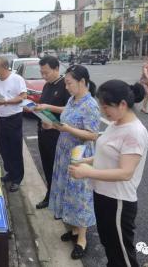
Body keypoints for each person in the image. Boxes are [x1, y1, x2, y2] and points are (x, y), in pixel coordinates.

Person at [69, 80, 148, 267]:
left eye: (106, 107)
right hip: (103, 194)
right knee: (109, 244)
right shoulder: (116, 123)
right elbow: (106, 155)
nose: (103, 111)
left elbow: (125, 172)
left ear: (122, 104)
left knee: (122, 252)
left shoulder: (135, 132)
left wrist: (89, 172)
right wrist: (85, 162)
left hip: (118, 200)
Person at [46, 65, 100, 259]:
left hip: (80, 156)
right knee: (66, 192)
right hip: (64, 152)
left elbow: (92, 135)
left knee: (79, 196)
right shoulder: (72, 99)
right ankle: (75, 230)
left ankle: (82, 239)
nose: (66, 87)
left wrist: (67, 129)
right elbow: (65, 120)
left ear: (82, 82)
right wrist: (53, 123)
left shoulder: (91, 105)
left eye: (69, 83)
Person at [33, 56, 70, 209]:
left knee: (59, 169)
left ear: (56, 69)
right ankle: (50, 196)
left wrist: (48, 107)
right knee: (47, 166)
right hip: (43, 132)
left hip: (57, 134)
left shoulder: (65, 86)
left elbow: (70, 109)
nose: (44, 76)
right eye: (41, 73)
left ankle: (61, 200)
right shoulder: (47, 85)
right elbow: (43, 105)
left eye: (46, 73)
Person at [0, 56, 27, 192]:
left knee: (15, 149)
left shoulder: (17, 79)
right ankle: (10, 173)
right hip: (1, 119)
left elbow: (23, 97)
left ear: (5, 67)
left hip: (14, 118)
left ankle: (17, 178)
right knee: (4, 148)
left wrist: (5, 102)